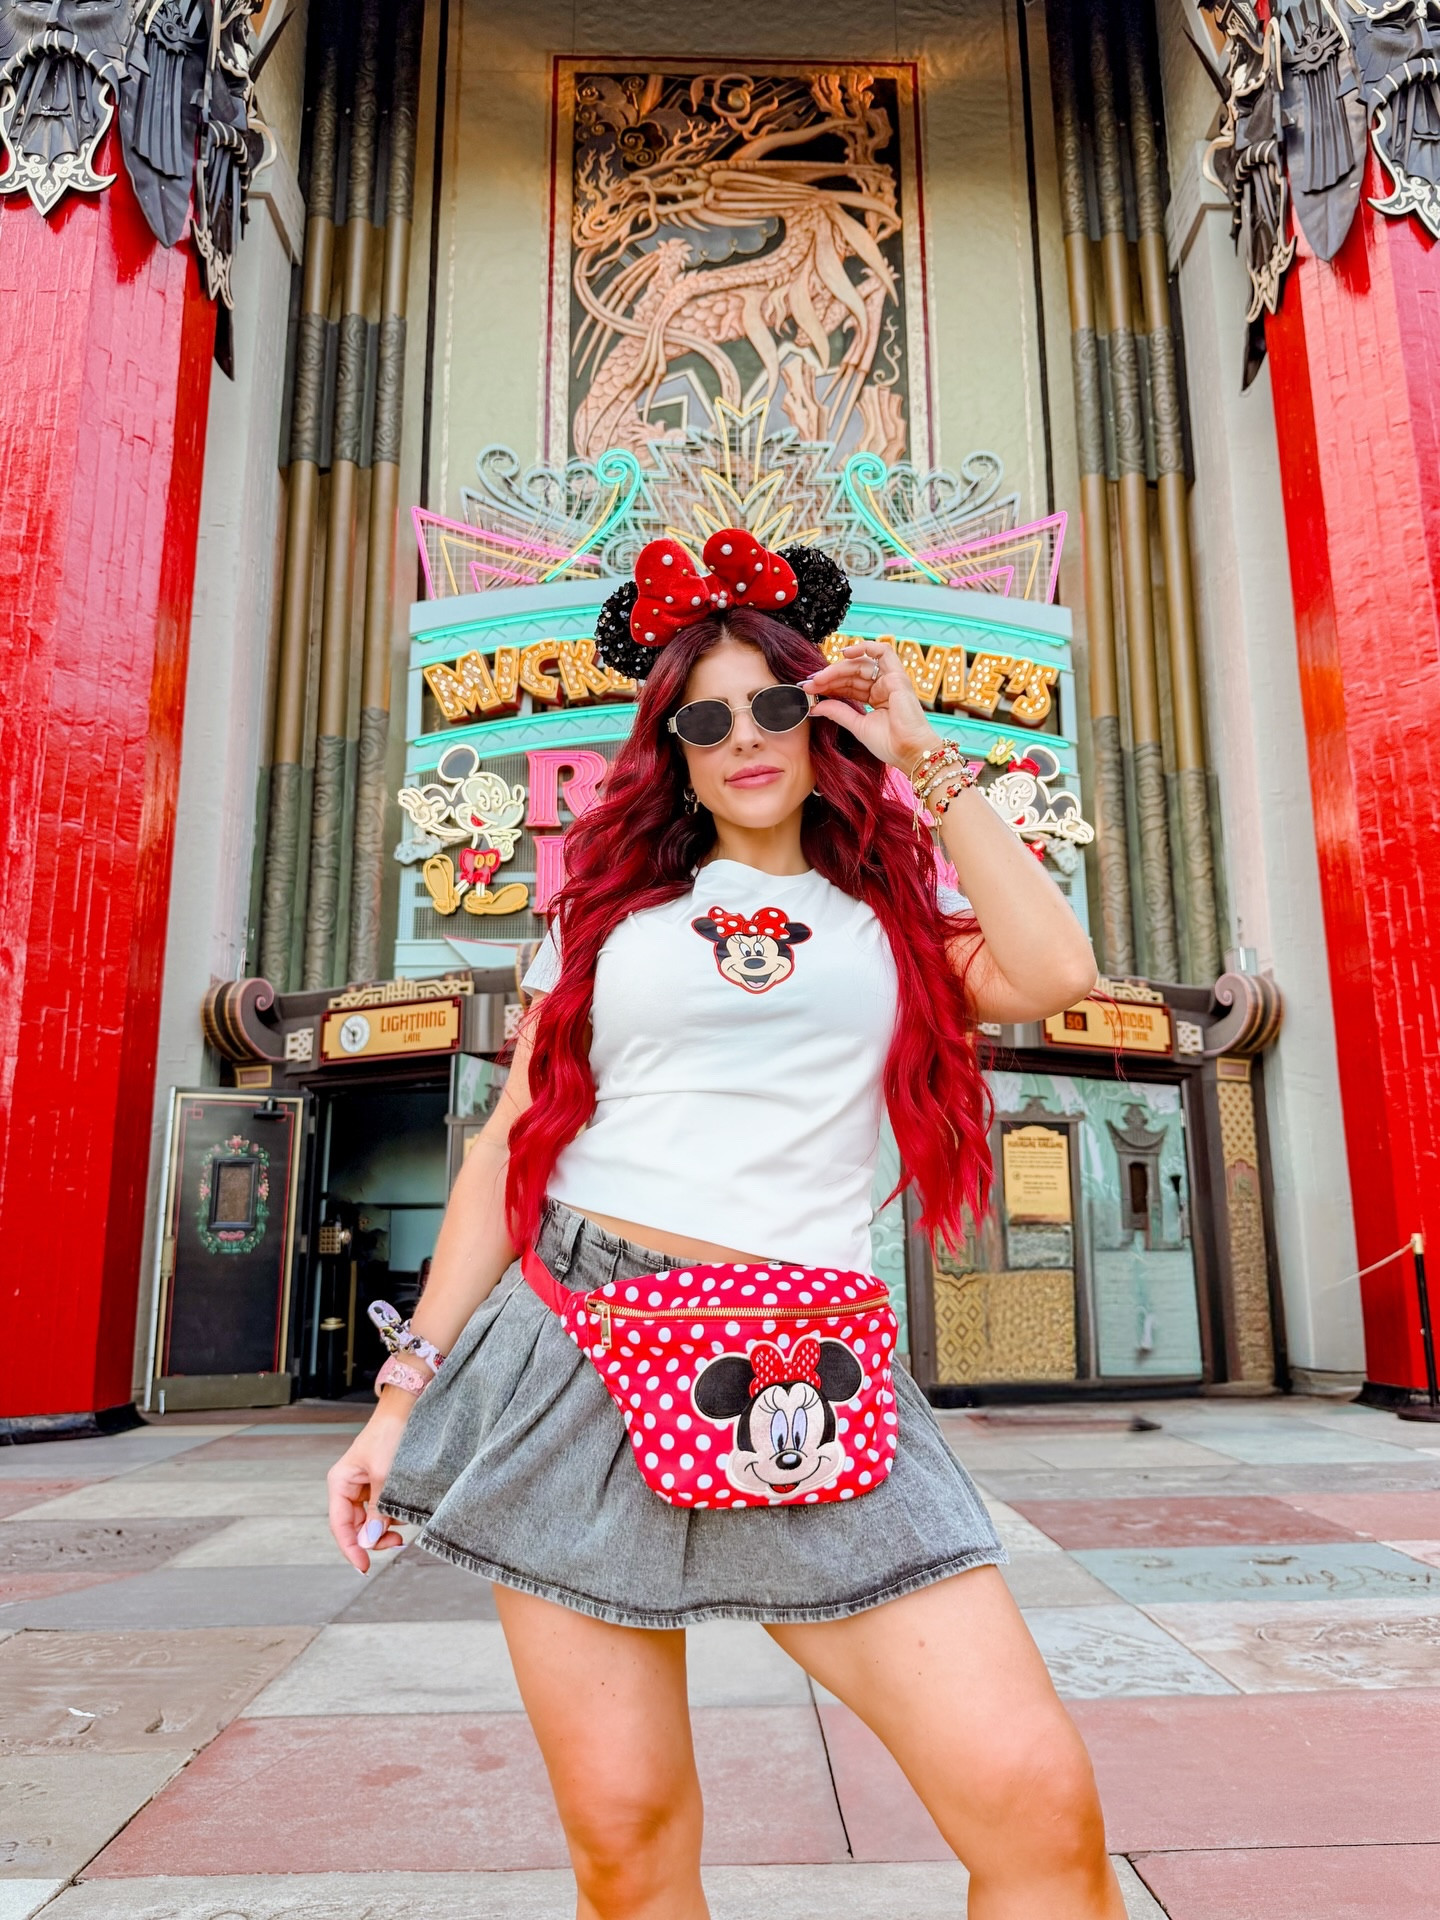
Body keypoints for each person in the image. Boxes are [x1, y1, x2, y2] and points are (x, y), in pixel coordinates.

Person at [328, 531, 1122, 1920]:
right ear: (674, 751)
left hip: (809, 1369)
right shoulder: (604, 920)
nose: (746, 735)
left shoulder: (892, 920)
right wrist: (406, 1392)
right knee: (629, 1849)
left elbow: (1058, 970)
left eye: (777, 704)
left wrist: (925, 748)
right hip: (571, 1354)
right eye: (709, 717)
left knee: (1035, 1807)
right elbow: (508, 1150)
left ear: (821, 723)